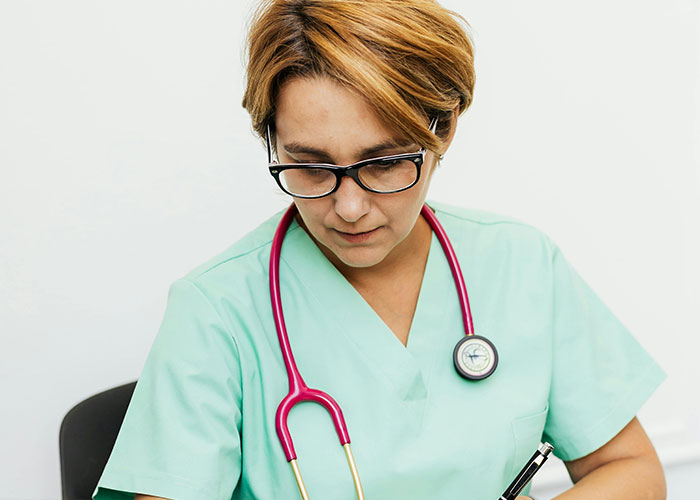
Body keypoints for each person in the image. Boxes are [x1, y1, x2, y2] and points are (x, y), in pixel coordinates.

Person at [93, 1, 667, 499]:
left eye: (385, 162)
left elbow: (630, 469)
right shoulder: (215, 310)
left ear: (442, 132)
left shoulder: (520, 264)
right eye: (311, 166)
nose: (348, 207)